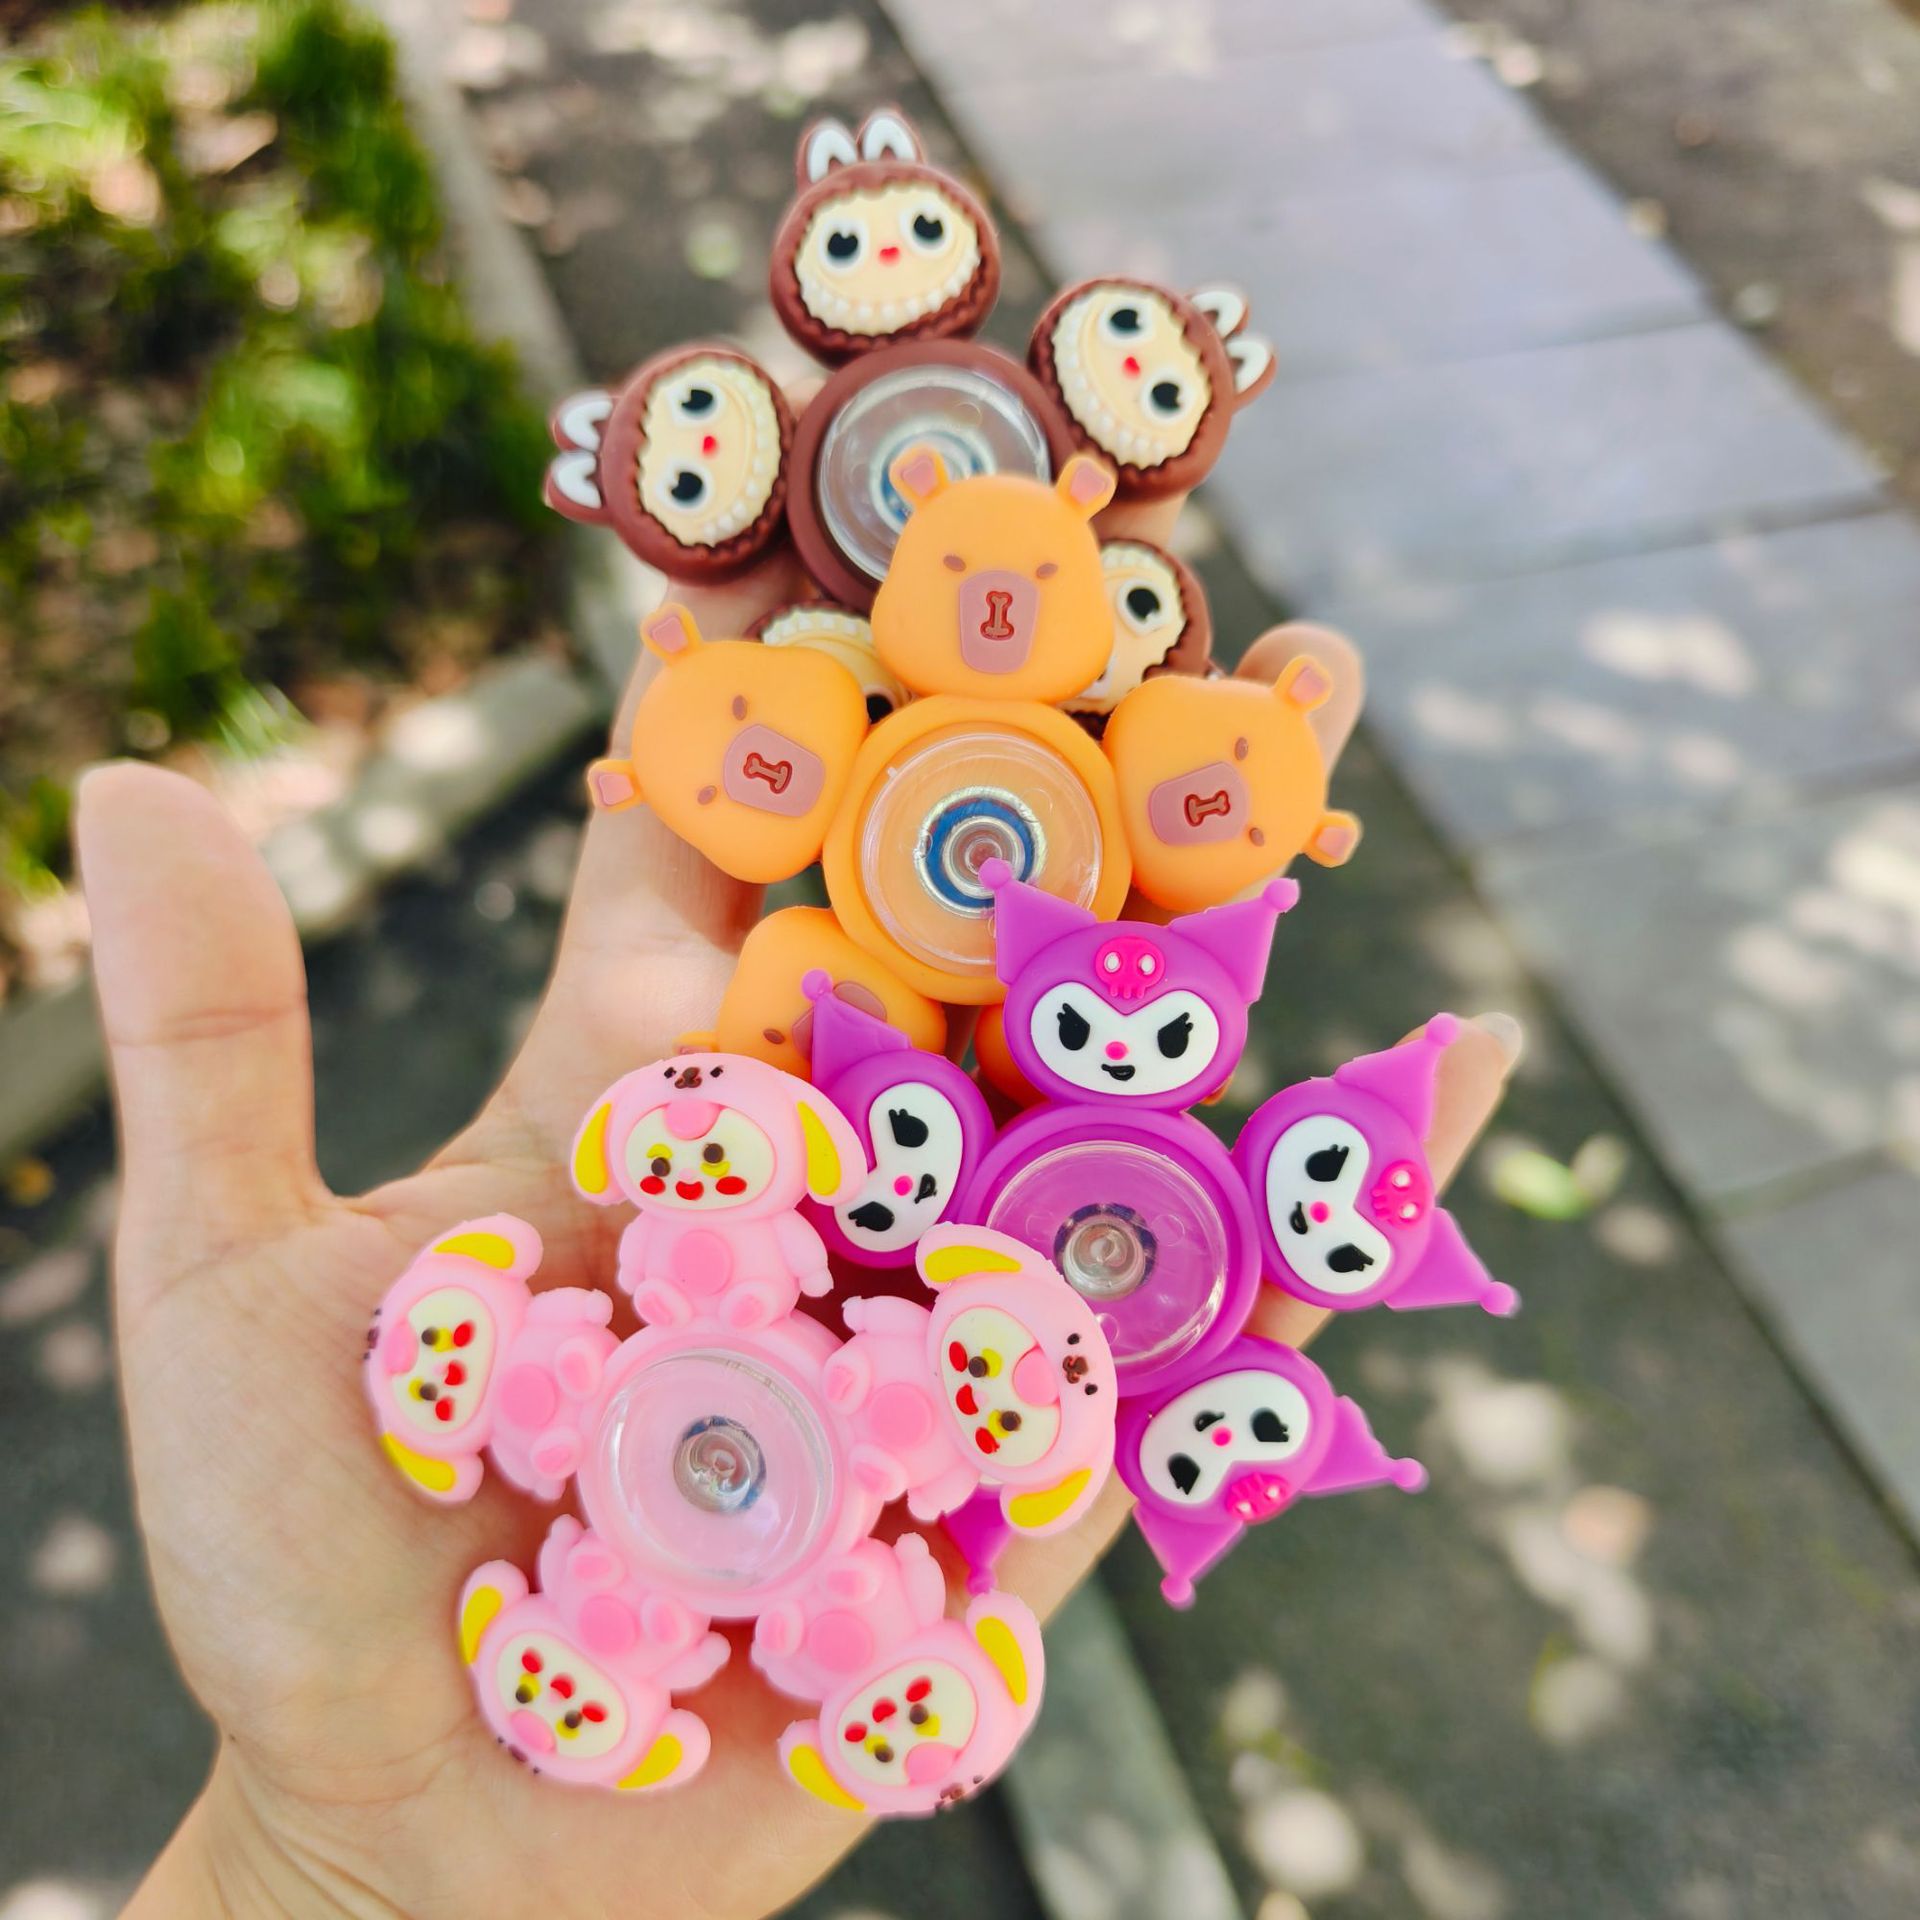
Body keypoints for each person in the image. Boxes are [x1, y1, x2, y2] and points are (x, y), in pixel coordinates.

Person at [81, 492, 1514, 1917]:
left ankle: (832, 1665)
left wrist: (322, 1883)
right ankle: (824, 1671)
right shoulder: (812, 1365)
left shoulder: (802, 1326)